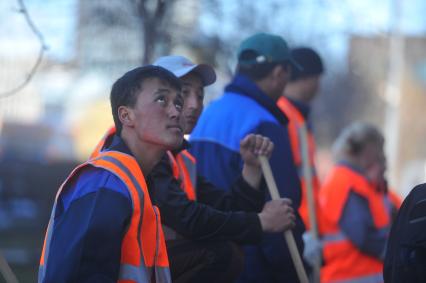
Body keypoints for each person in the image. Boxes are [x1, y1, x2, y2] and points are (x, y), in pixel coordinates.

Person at [91, 55, 297, 283]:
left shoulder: (180, 158)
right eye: (173, 97)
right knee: (223, 253)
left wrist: (251, 169)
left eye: (199, 95)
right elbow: (187, 218)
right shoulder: (135, 158)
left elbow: (228, 210)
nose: (193, 105)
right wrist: (260, 222)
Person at [39, 65, 184, 283]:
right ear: (126, 115)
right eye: (161, 100)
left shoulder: (134, 181)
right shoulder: (105, 184)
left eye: (177, 103)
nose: (176, 112)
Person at [190, 33, 307, 282]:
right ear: (278, 73)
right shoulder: (264, 123)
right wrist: (293, 270)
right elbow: (281, 208)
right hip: (251, 267)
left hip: (206, 261)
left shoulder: (207, 115)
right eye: (287, 74)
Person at [319, 122, 397, 283]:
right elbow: (363, 235)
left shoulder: (353, 180)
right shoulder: (346, 182)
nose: (382, 157)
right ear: (367, 150)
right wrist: (397, 254)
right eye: (379, 150)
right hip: (352, 276)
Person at [277, 47, 325, 270]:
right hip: (296, 226)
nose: (319, 86)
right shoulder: (285, 116)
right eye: (317, 78)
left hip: (303, 226)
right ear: (308, 78)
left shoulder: (296, 117)